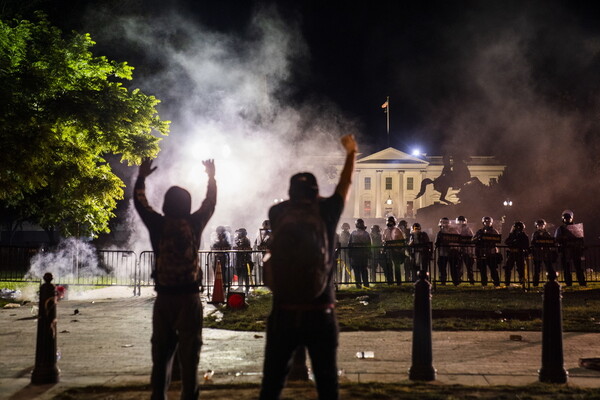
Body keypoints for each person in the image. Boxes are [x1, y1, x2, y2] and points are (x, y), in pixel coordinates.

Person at [259, 134, 357, 400]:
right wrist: (351, 152)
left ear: (290, 193)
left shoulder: (276, 213)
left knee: (272, 384)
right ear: (316, 193)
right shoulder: (328, 211)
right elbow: (344, 185)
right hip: (320, 308)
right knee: (327, 384)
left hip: (284, 310)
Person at [134, 158, 216, 400]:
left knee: (161, 357)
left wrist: (141, 177)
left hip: (164, 299)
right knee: (190, 359)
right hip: (189, 298)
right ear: (188, 205)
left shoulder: (158, 224)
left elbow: (140, 204)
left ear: (166, 205)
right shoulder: (195, 223)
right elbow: (210, 203)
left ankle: (158, 396)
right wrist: (211, 177)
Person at [554, 210, 586, 286]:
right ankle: (568, 282)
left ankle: (582, 282)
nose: (567, 220)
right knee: (566, 268)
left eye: (568, 218)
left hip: (575, 250)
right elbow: (556, 239)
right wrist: (563, 239)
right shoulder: (560, 229)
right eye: (566, 218)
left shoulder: (576, 228)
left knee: (578, 267)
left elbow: (581, 239)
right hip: (565, 250)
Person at [473, 216, 501, 287]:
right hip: (482, 252)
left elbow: (498, 240)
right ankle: (484, 284)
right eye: (486, 222)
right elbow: (473, 239)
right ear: (483, 222)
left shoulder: (494, 231)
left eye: (489, 222)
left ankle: (496, 283)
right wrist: (478, 238)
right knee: (483, 270)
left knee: (493, 269)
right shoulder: (480, 231)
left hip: (491, 253)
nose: (487, 223)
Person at [531, 219, 557, 287]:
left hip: (546, 253)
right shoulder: (535, 234)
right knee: (537, 270)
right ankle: (535, 283)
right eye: (539, 226)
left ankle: (552, 281)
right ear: (536, 226)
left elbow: (550, 242)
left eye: (542, 225)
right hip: (538, 254)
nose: (540, 227)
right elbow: (533, 242)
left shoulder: (547, 233)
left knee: (549, 268)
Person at [434, 217, 460, 285]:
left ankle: (451, 281)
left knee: (452, 268)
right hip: (444, 252)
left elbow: (457, 240)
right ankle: (448, 281)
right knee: (445, 267)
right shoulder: (441, 232)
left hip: (451, 252)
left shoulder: (451, 231)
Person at [503, 221, 530, 286]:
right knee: (508, 268)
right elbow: (506, 241)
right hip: (512, 253)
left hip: (520, 254)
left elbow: (526, 245)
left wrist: (517, 243)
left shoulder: (524, 235)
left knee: (521, 269)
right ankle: (507, 282)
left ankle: (522, 282)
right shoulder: (512, 235)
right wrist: (512, 242)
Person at [348, 218, 372, 288]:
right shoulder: (366, 233)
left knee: (357, 271)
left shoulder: (353, 233)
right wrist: (369, 253)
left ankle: (358, 285)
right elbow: (369, 244)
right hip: (364, 254)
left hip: (355, 255)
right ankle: (366, 285)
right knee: (364, 270)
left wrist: (350, 253)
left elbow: (349, 244)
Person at [382, 215, 405, 285]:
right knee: (389, 267)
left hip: (396, 251)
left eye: (391, 221)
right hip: (388, 251)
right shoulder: (385, 231)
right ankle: (390, 282)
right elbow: (383, 240)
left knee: (397, 267)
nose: (389, 223)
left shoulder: (397, 230)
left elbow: (401, 240)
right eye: (388, 221)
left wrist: (400, 249)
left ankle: (398, 282)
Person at [455, 216, 475, 285]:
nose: (460, 223)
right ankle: (458, 279)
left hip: (467, 250)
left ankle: (471, 280)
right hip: (458, 250)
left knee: (469, 266)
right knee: (458, 266)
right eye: (459, 221)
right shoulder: (455, 229)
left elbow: (471, 238)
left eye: (462, 221)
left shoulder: (467, 229)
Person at [233, 228, 253, 293]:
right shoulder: (238, 239)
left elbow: (240, 247)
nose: (238, 234)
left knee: (245, 275)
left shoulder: (246, 240)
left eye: (239, 233)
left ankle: (246, 289)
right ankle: (240, 288)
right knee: (240, 274)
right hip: (239, 260)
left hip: (245, 260)